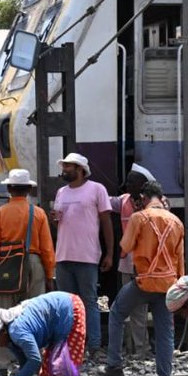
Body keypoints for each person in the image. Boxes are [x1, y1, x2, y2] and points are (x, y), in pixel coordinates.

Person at [104, 178, 184, 376]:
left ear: (144, 199)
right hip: (169, 283)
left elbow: (124, 248)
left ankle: (114, 366)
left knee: (117, 313)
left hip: (144, 281)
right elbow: (180, 260)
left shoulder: (139, 218)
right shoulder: (177, 221)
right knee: (165, 332)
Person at [0, 168, 56, 371]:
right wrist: (50, 275)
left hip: (7, 264)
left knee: (2, 313)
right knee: (34, 314)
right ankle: (33, 359)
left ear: (9, 188)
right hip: (34, 264)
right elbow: (47, 248)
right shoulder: (39, 213)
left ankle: (0, 362)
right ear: (28, 190)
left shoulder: (0, 213)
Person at [51, 152, 113, 355]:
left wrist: (109, 253)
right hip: (63, 255)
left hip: (87, 255)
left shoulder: (96, 189)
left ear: (80, 170)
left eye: (69, 166)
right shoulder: (61, 192)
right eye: (64, 166)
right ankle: (71, 345)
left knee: (89, 301)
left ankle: (94, 345)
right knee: (67, 305)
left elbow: (106, 222)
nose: (65, 170)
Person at [0, 290, 86, 376]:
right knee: (49, 366)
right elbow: (25, 361)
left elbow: (35, 360)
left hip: (70, 308)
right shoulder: (10, 339)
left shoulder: (17, 332)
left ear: (3, 332)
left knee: (63, 361)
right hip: (58, 316)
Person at [108, 165, 157, 360]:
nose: (126, 185)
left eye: (131, 181)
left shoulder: (156, 204)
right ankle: (134, 348)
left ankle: (141, 349)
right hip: (127, 263)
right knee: (128, 307)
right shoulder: (124, 201)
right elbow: (104, 202)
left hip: (146, 265)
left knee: (142, 308)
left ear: (143, 185)